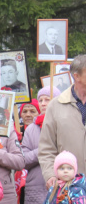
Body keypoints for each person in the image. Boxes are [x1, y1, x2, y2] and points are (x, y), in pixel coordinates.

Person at [40, 55, 86, 187]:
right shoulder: (56, 105)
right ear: (76, 76)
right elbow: (46, 148)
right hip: (67, 188)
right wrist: (50, 175)